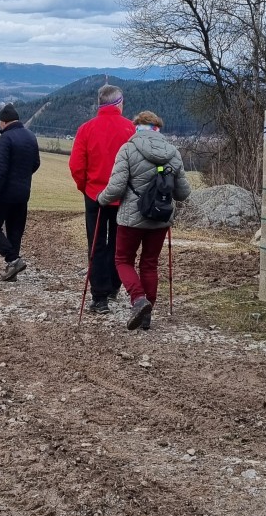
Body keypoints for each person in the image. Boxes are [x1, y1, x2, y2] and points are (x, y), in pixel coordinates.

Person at [97, 110, 191, 330]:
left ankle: (139, 300)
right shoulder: (173, 153)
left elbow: (116, 188)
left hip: (132, 217)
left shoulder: (128, 149)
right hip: (160, 217)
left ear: (136, 127)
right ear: (158, 128)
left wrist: (101, 199)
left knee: (122, 260)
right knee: (149, 263)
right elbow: (183, 193)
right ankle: (147, 316)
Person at [69, 83, 135, 314]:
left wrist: (85, 188)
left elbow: (76, 165)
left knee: (96, 244)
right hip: (123, 196)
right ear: (118, 103)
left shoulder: (86, 129)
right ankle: (114, 286)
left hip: (94, 195)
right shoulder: (130, 129)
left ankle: (99, 298)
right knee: (119, 243)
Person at [0, 103, 40, 281]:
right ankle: (12, 271)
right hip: (23, 192)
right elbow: (36, 163)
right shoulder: (31, 136)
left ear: (3, 121)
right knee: (15, 230)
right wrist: (22, 176)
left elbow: (0, 170)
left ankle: (13, 259)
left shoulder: (5, 139)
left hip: (5, 193)